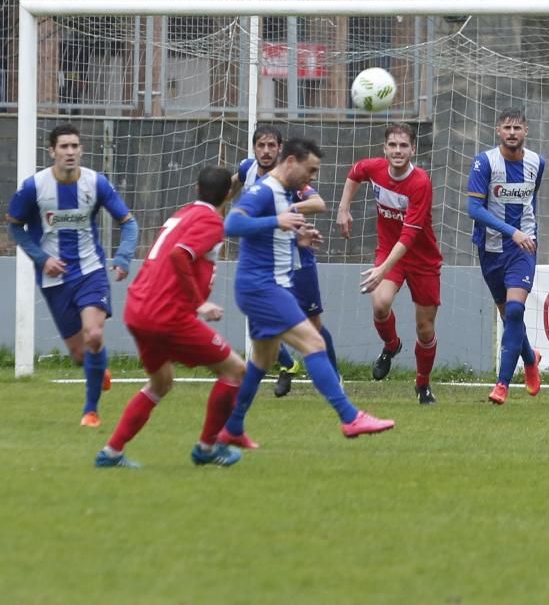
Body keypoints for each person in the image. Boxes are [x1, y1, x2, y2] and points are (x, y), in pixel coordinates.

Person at [219, 138, 394, 445]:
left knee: (262, 359)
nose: (312, 177)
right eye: (310, 170)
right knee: (313, 340)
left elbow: (268, 236)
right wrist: (279, 220)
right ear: (290, 162)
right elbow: (232, 223)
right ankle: (350, 417)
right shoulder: (263, 190)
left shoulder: (285, 192)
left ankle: (231, 428)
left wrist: (296, 237)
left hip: (267, 285)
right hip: (262, 287)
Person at [95, 167, 246, 468]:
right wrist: (200, 303)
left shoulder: (184, 213)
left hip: (139, 309)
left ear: (196, 189)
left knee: (160, 383)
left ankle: (111, 453)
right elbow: (180, 254)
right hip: (168, 315)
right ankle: (206, 448)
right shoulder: (212, 222)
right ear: (229, 195)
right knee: (236, 371)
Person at [6, 123, 138, 427]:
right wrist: (41, 259)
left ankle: (90, 411)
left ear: (81, 150)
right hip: (54, 278)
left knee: (94, 334)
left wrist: (123, 257)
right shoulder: (34, 187)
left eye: (74, 146)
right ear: (51, 151)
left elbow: (129, 223)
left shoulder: (96, 183)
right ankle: (96, 366)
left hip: (91, 270)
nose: (70, 152)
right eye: (63, 146)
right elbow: (14, 225)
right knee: (80, 354)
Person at [336, 123, 443, 404]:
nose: (398, 151)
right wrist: (343, 208)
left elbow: (409, 236)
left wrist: (381, 269)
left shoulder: (420, 183)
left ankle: (423, 384)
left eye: (403, 145)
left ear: (413, 149)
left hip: (422, 259)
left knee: (425, 328)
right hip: (388, 253)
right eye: (393, 145)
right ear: (384, 149)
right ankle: (391, 346)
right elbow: (355, 172)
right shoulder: (375, 168)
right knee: (380, 303)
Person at [233, 124, 339, 398]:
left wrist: (288, 210)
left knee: (313, 324)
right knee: (261, 322)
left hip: (296, 257)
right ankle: (288, 366)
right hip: (263, 261)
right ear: (254, 147)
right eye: (261, 145)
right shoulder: (248, 170)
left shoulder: (289, 177)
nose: (266, 151)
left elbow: (318, 203)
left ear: (281, 149)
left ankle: (334, 378)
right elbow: (232, 186)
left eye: (271, 146)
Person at [467, 108, 544, 405]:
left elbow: (530, 201)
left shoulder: (537, 162)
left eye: (517, 128)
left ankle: (502, 384)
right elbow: (473, 210)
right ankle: (530, 357)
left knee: (514, 312)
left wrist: (520, 234)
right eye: (507, 127)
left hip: (523, 248)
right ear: (498, 131)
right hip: (490, 249)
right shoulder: (484, 162)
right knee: (507, 313)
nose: (512, 133)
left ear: (526, 131)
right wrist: (511, 231)